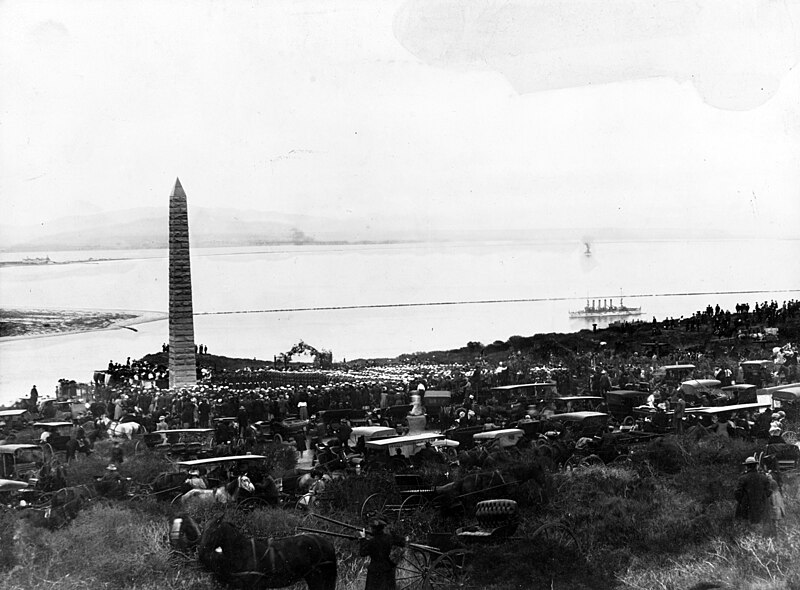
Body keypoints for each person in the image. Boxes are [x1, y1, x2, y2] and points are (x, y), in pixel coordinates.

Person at [358, 517, 407, 590]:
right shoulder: (389, 538)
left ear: (373, 529)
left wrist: (363, 539)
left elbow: (362, 553)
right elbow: (402, 542)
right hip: (387, 568)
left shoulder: (372, 542)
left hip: (375, 570)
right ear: (382, 528)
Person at [735, 456, 772, 525]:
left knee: (747, 528)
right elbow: (769, 492)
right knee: (761, 527)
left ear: (747, 467)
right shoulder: (764, 478)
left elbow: (737, 493)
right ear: (756, 466)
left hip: (746, 508)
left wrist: (743, 501)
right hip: (761, 507)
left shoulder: (743, 478)